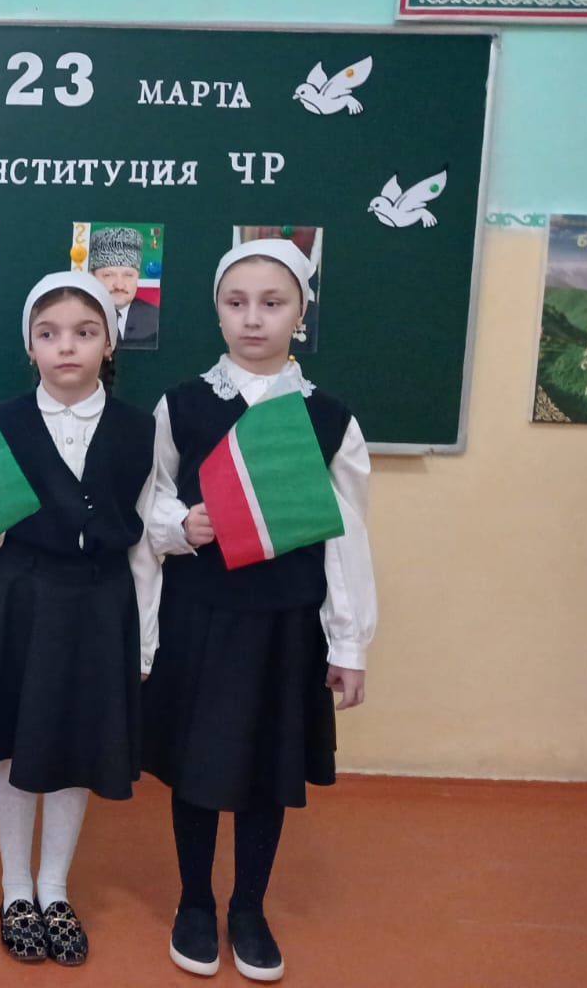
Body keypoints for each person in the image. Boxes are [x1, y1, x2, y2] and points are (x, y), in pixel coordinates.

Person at [142, 238, 376, 981]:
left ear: (300, 313)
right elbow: (151, 500)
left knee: (266, 768)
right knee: (196, 764)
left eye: (272, 304)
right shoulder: (182, 405)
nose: (253, 319)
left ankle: (248, 906)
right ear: (216, 311)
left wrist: (349, 644)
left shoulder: (328, 419)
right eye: (236, 303)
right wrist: (181, 525)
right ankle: (194, 901)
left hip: (286, 625)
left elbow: (347, 541)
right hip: (200, 616)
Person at [0, 271, 159, 966]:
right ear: (30, 347)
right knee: (17, 742)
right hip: (22, 599)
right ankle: (16, 889)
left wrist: (146, 639)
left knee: (76, 742)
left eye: (84, 332)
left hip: (100, 603)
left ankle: (54, 888)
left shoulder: (141, 429)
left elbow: (146, 539)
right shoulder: (1, 422)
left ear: (109, 344)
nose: (66, 347)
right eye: (49, 334)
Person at [89, 225, 158, 349]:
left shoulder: (154, 318)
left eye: (128, 275)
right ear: (92, 277)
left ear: (137, 277)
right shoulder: (77, 316)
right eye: (108, 275)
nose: (119, 285)